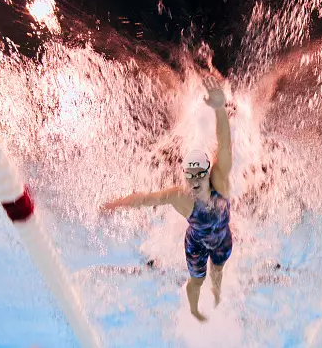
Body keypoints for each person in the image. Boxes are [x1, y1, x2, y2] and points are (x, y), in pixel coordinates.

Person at [99, 76, 233, 322]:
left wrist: (219, 108)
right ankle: (194, 309)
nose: (193, 181)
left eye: (198, 175)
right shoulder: (181, 197)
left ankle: (216, 293)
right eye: (188, 175)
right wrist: (114, 205)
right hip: (196, 243)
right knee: (196, 280)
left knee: (218, 270)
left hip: (223, 237)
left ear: (207, 173)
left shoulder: (220, 181)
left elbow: (225, 144)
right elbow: (144, 200)